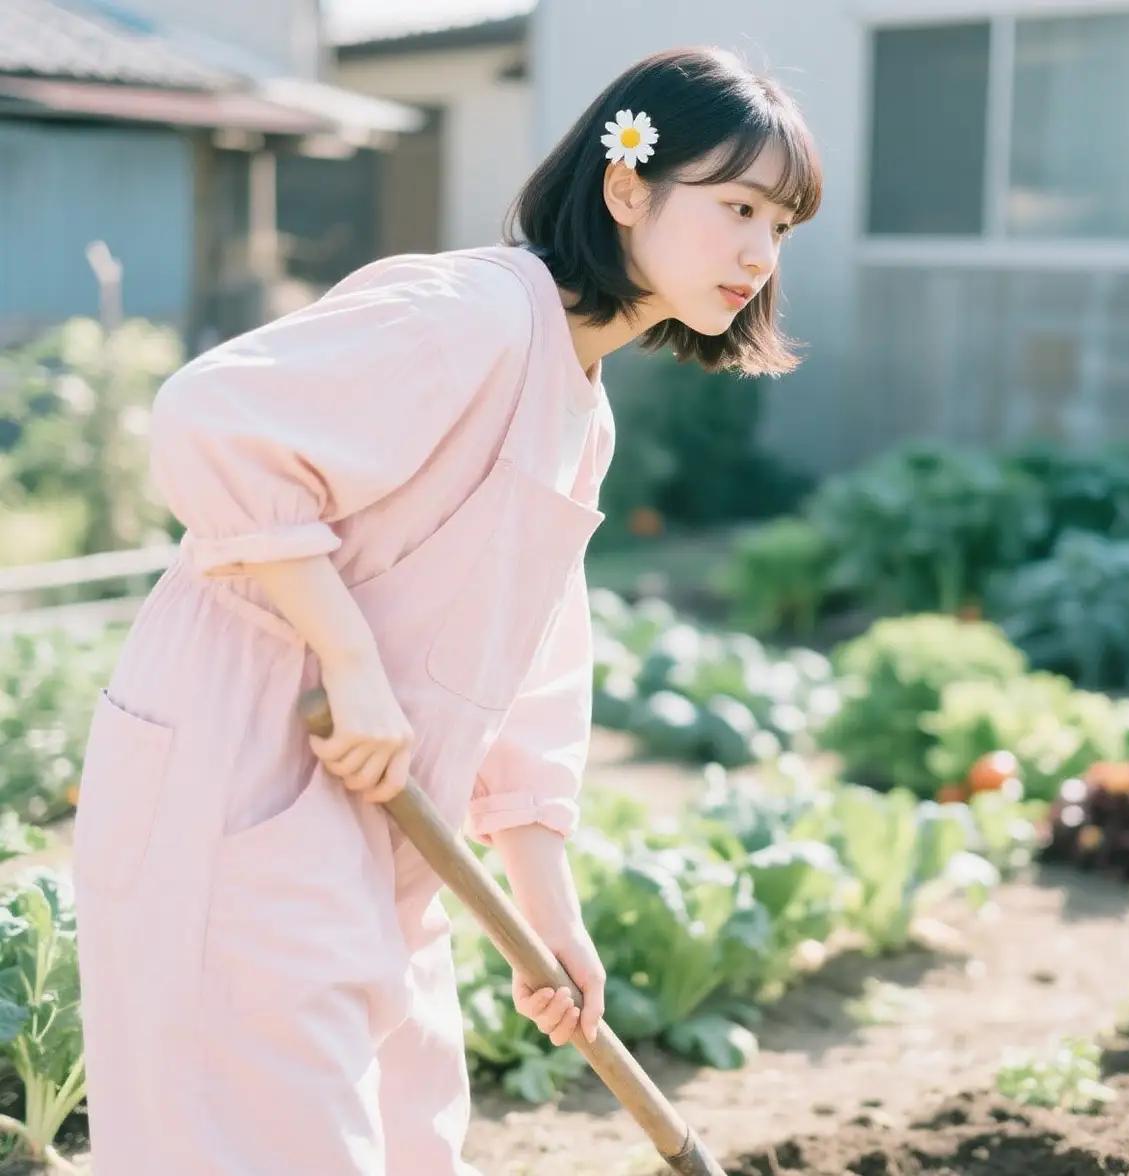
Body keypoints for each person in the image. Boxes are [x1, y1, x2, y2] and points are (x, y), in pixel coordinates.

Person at [71, 43, 822, 1175]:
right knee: (268, 1137)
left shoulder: (580, 408)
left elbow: (524, 666)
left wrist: (548, 912)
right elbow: (209, 417)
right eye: (739, 208)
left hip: (383, 813)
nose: (760, 255)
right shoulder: (475, 314)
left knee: (409, 1132)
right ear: (627, 188)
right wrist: (347, 654)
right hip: (240, 770)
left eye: (782, 227)